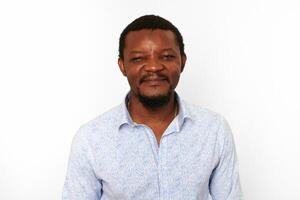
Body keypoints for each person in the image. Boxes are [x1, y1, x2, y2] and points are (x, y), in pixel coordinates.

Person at [63, 15, 242, 200]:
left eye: (166, 56)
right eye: (139, 58)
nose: (154, 67)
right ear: (122, 66)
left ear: (182, 61)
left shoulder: (214, 130)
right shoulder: (91, 139)